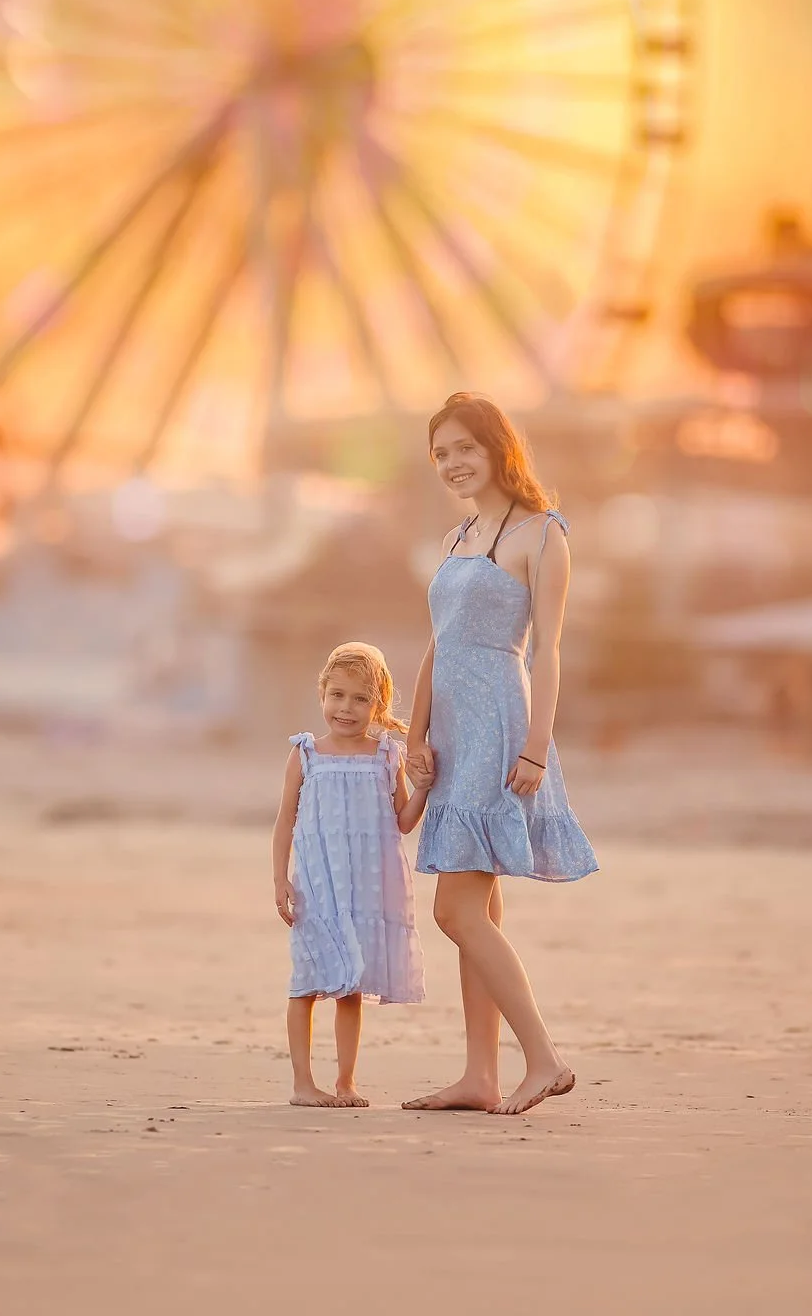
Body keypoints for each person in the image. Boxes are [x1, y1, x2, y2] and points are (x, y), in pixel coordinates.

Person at [404, 394, 598, 1117]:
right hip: (450, 732)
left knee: (456, 911)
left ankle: (542, 1058)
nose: (452, 464)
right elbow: (437, 642)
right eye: (440, 454)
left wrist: (537, 748)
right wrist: (415, 734)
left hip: (499, 725)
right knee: (479, 907)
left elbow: (547, 650)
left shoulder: (543, 534)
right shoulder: (460, 536)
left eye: (463, 449)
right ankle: (479, 1076)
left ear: (497, 448)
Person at [272, 642, 427, 1107]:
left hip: (366, 889)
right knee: (305, 982)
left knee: (349, 987)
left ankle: (345, 1082)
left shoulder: (385, 756)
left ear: (378, 704)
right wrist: (280, 880)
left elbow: (401, 821)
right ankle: (303, 1083)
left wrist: (422, 790)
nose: (346, 708)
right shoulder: (305, 754)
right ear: (322, 693)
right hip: (318, 887)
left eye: (360, 699)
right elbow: (285, 821)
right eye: (337, 695)